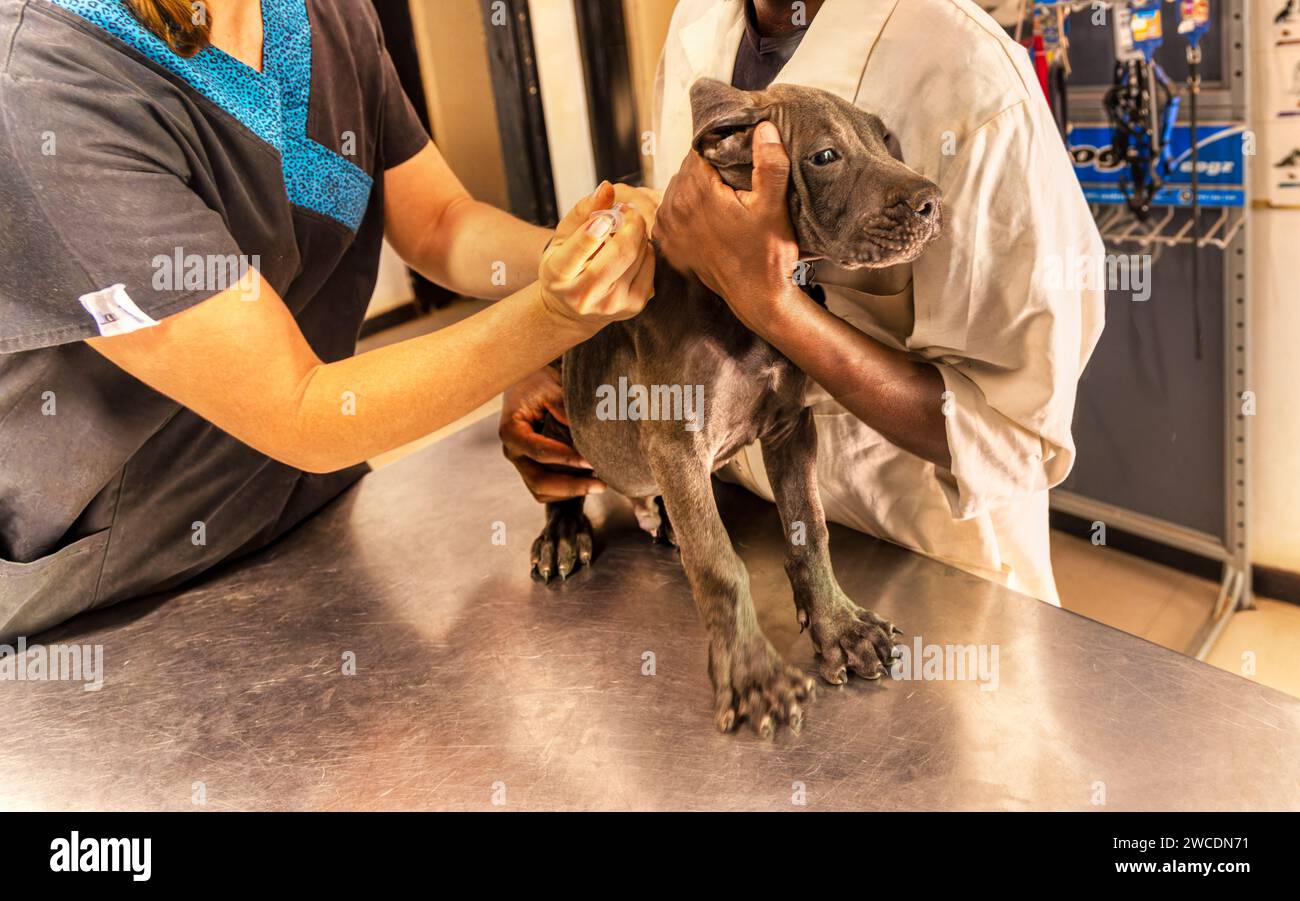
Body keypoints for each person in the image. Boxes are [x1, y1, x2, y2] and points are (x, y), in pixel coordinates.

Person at [0, 0, 654, 640]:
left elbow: (438, 224)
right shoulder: (45, 82)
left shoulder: (329, 15)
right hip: (112, 597)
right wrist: (554, 316)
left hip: (309, 520)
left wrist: (568, 254)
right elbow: (300, 407)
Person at [502, 0, 1105, 608]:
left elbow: (1016, 437)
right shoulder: (697, 22)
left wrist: (774, 306)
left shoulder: (973, 71)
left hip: (914, 560)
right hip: (732, 519)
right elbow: (685, 259)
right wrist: (562, 351)